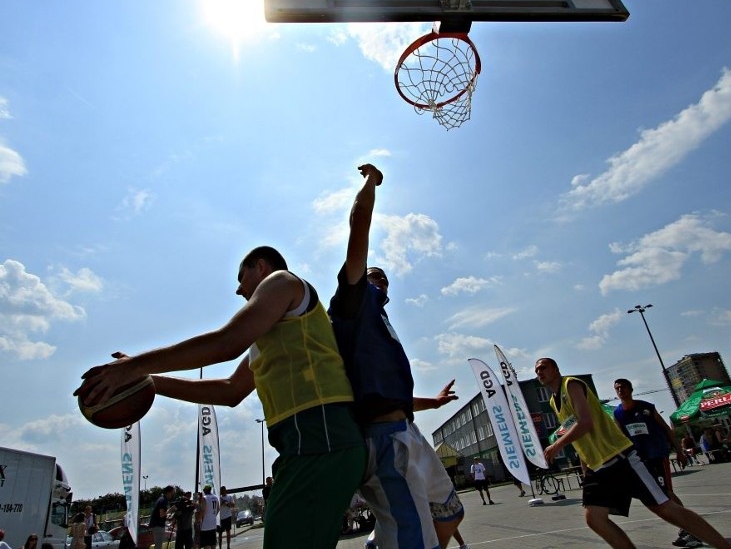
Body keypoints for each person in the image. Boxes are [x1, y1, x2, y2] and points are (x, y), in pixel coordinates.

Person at [74, 245, 367, 549]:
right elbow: (230, 390)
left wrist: (133, 366)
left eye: (242, 277)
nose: (239, 290)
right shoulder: (273, 335)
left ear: (262, 267)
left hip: (321, 436)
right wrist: (148, 381)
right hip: (305, 444)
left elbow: (227, 342)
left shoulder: (282, 281)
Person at [327, 164, 464, 549]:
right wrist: (372, 182)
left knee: (451, 513)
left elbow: (384, 389)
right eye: (373, 273)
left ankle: (384, 543)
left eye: (384, 276)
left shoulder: (381, 320)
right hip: (385, 441)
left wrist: (430, 402)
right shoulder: (353, 305)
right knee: (417, 543)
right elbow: (359, 229)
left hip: (408, 430)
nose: (379, 277)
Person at [534, 357, 731, 549]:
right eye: (536, 370)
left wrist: (556, 445)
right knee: (594, 519)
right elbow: (579, 437)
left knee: (663, 507)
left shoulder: (571, 384)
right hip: (598, 466)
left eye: (543, 367)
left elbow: (585, 423)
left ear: (556, 369)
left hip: (620, 457)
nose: (539, 372)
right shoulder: (553, 401)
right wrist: (585, 468)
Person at [612, 378, 701, 548]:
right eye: (617, 388)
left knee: (667, 492)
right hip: (640, 459)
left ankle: (692, 530)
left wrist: (680, 452)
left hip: (657, 455)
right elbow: (622, 438)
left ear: (630, 389)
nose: (620, 390)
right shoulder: (618, 413)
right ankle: (687, 528)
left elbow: (666, 429)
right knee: (660, 495)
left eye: (623, 387)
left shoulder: (646, 407)